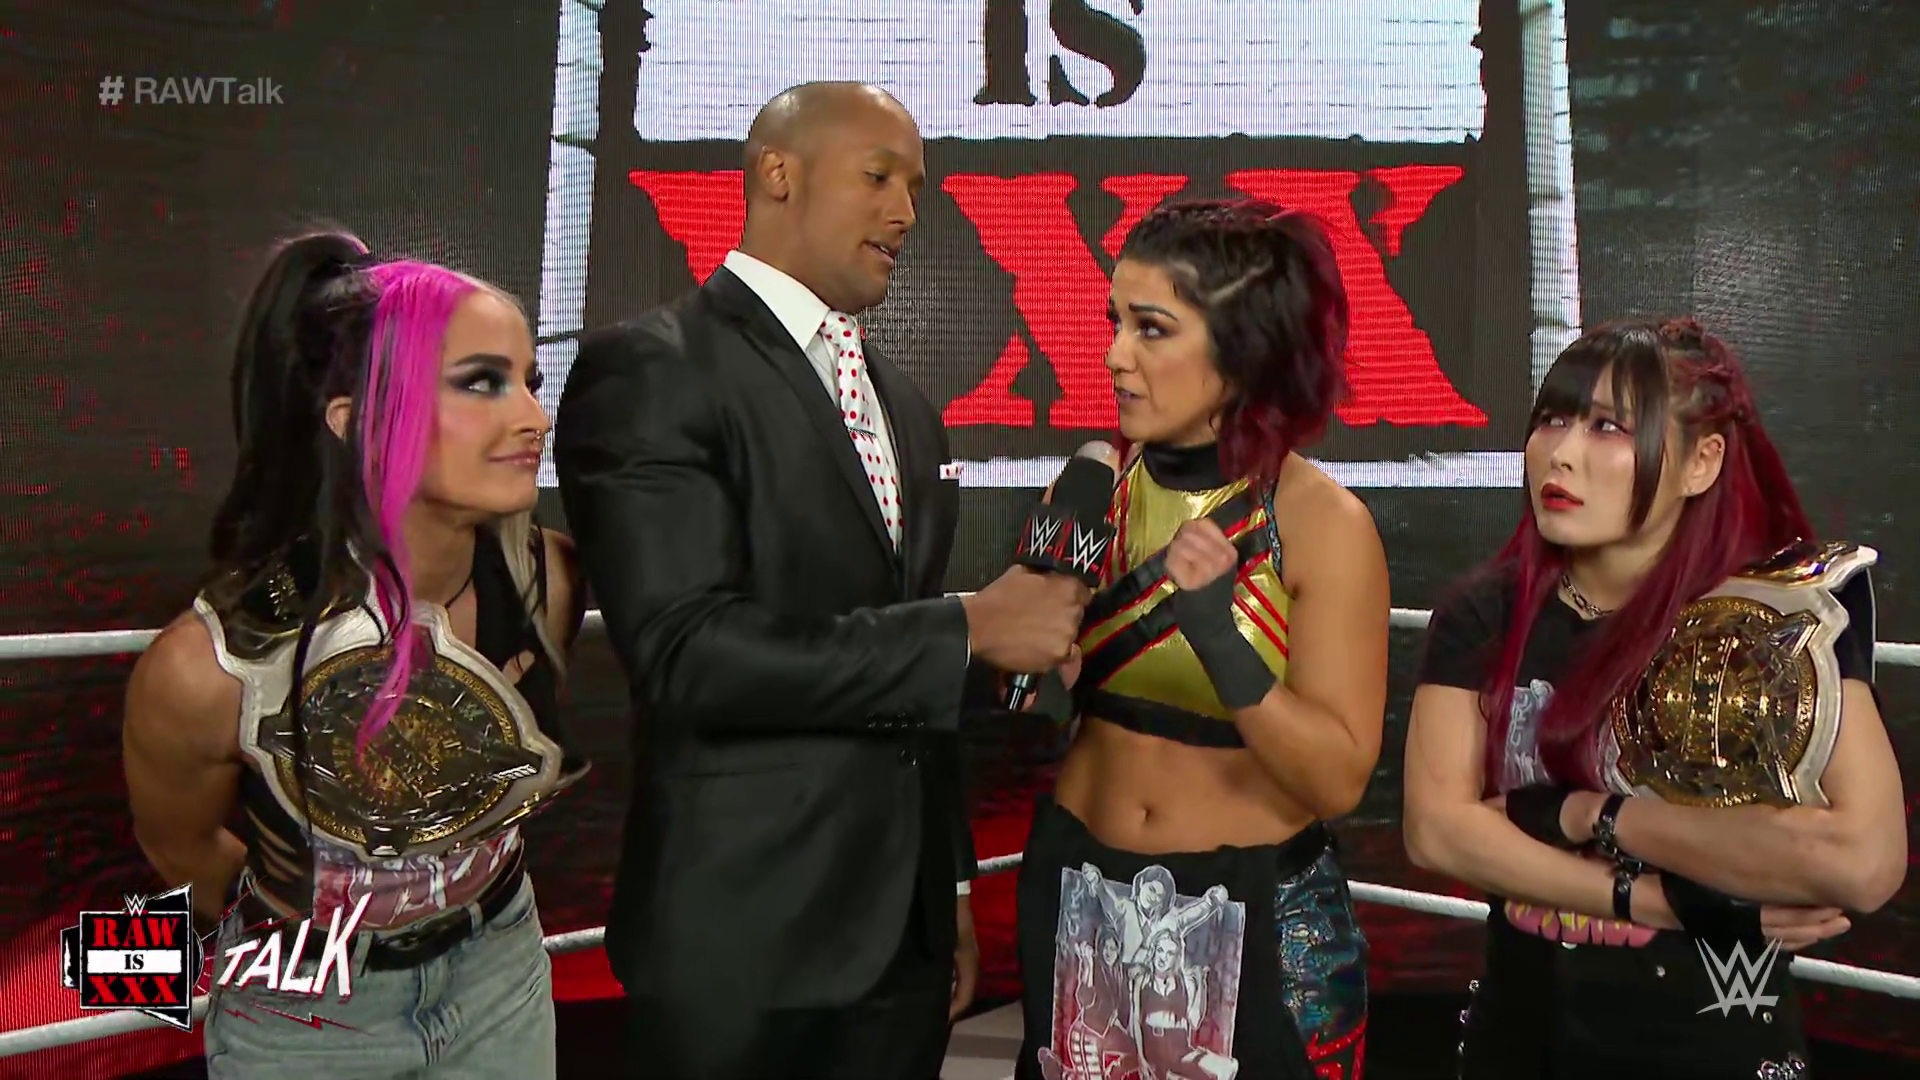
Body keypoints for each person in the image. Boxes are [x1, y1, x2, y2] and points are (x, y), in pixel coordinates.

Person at [553, 81, 1088, 1079]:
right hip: (742, 944)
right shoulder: (652, 368)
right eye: (878, 176)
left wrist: (950, 889)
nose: (906, 211)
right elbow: (685, 655)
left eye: (916, 187)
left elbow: (907, 671)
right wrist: (967, 627)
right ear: (778, 173)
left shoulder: (907, 407)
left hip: (903, 947)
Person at [121, 231, 589, 1079]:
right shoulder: (206, 672)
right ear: (356, 419)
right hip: (305, 1010)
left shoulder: (546, 582)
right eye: (482, 382)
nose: (534, 416)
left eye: (529, 381)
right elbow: (184, 853)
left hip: (502, 969)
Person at [1403, 318, 1908, 1079]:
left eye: (1608, 427)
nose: (1561, 453)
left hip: (1711, 1041)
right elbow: (1437, 831)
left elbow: (1862, 861)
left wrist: (1594, 815)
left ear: (1702, 461)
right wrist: (1663, 898)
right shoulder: (1486, 614)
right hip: (1527, 1032)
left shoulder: (1772, 625)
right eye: (1553, 419)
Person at [1015, 199, 1388, 1080]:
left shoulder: (1321, 523)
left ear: (1244, 348)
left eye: (1152, 329)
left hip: (1249, 913)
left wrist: (1221, 641)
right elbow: (1034, 713)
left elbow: (1336, 778)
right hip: (1082, 894)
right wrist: (1040, 676)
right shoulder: (1088, 493)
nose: (1115, 355)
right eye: (1116, 322)